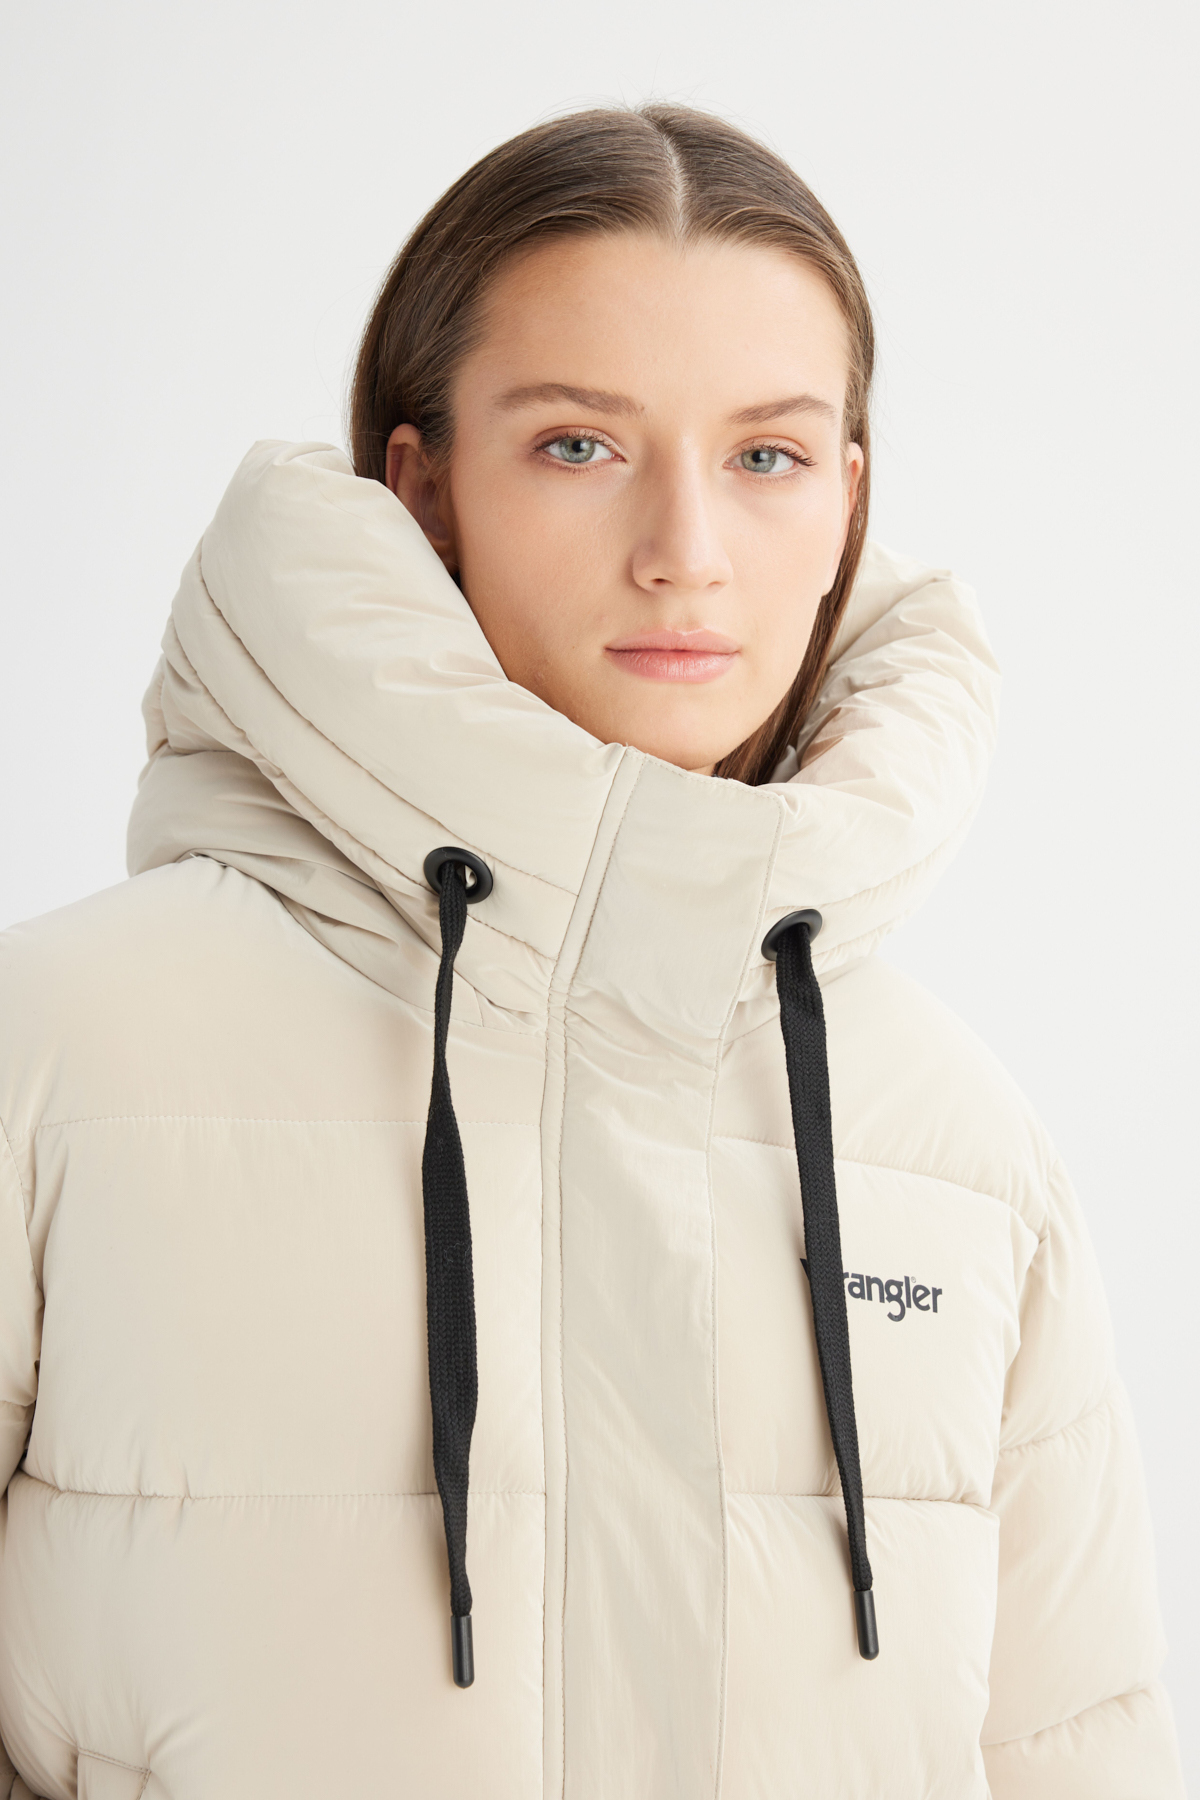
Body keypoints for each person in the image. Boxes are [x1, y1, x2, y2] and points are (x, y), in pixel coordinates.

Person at [0, 103, 1183, 1800]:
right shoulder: (63, 1056)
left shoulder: (957, 1143)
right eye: (578, 444)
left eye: (767, 458)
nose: (684, 551)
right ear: (424, 490)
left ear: (848, 505)